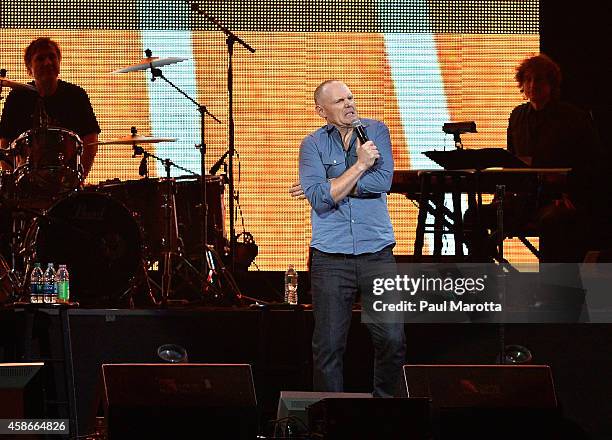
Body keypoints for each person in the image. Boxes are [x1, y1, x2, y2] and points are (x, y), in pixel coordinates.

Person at [297, 80, 405, 397]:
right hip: (331, 259)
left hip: (377, 254)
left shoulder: (376, 131)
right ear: (322, 111)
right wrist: (359, 165)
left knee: (392, 338)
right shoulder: (312, 144)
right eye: (339, 101)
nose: (349, 105)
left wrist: (332, 185)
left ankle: (388, 412)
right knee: (329, 345)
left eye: (351, 97)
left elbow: (382, 182)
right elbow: (318, 199)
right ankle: (330, 418)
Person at [466, 53, 602, 263]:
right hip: (522, 200)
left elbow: (591, 163)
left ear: (551, 84)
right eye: (528, 79)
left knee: (553, 223)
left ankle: (554, 289)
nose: (532, 85)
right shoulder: (517, 116)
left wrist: (571, 192)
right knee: (473, 216)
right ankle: (486, 277)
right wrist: (504, 194)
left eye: (538, 79)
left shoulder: (572, 117)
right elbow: (511, 161)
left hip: (557, 199)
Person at [0, 37, 100, 177]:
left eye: (52, 57)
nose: (47, 62)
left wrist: (79, 178)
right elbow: (5, 142)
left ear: (59, 61)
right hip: (27, 184)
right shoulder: (17, 97)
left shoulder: (76, 96)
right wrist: (10, 179)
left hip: (66, 181)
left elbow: (90, 139)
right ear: (29, 67)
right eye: (40, 59)